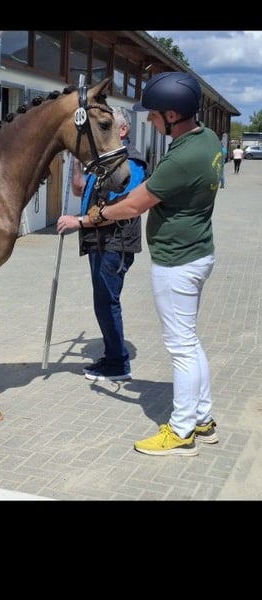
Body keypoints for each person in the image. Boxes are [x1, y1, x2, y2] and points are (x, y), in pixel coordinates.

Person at [87, 71, 221, 457]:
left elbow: (136, 204)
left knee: (181, 348)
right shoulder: (208, 139)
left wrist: (96, 215)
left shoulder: (183, 157)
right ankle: (202, 419)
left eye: (154, 114)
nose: (150, 120)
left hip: (177, 261)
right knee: (189, 342)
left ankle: (181, 431)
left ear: (172, 116)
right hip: (197, 251)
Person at [57, 106, 147, 382]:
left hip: (116, 242)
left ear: (123, 130)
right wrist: (76, 161)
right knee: (102, 302)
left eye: (106, 128)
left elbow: (122, 207)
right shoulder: (105, 160)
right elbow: (79, 189)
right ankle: (112, 356)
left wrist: (79, 221)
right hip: (99, 241)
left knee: (108, 302)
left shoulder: (131, 162)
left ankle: (118, 364)